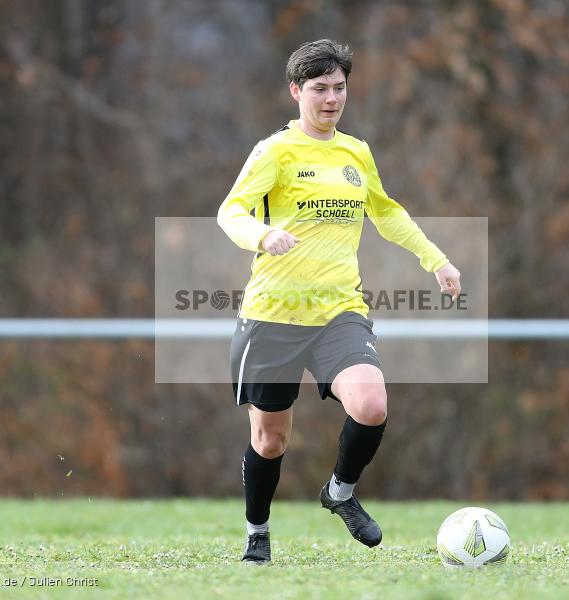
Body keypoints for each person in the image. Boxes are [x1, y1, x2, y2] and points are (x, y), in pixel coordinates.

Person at [217, 39, 461, 565]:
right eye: (320, 88)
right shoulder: (274, 152)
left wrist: (435, 259)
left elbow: (387, 212)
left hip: (338, 312)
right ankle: (257, 531)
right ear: (295, 91)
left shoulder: (356, 152)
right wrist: (262, 236)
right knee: (270, 442)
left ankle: (341, 493)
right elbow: (230, 213)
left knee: (371, 405)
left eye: (339, 87)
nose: (331, 99)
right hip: (273, 315)